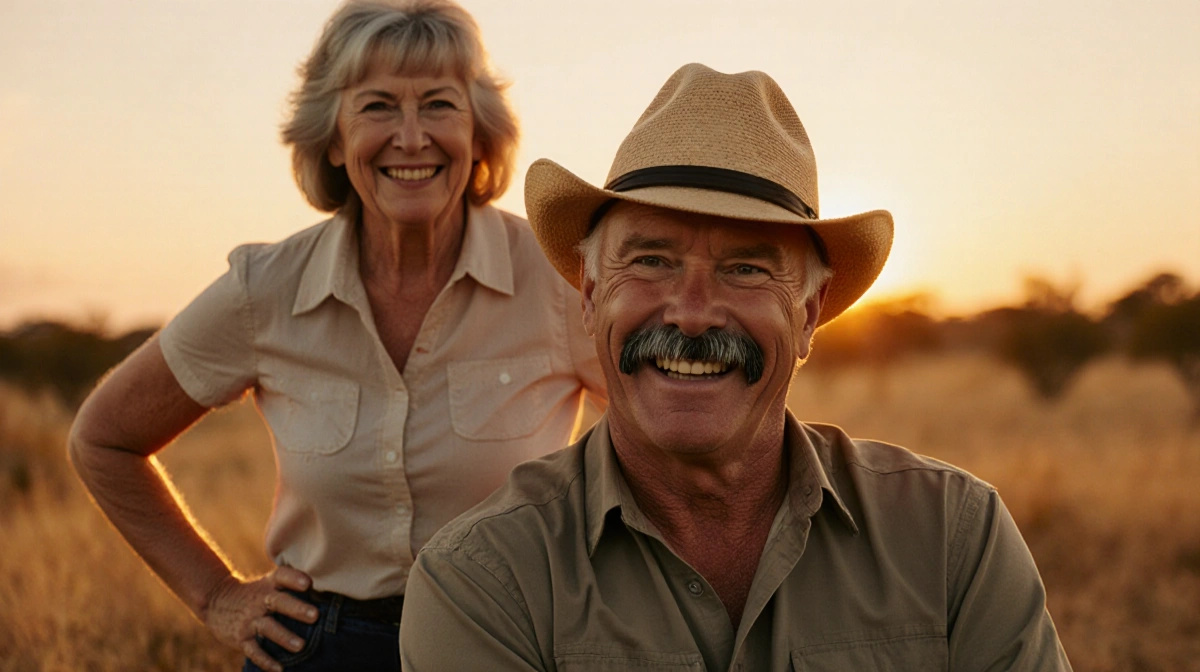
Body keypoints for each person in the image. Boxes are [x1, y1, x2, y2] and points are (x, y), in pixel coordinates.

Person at [400, 63, 1072, 670]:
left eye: (745, 268)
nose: (692, 314)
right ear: (592, 295)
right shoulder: (484, 580)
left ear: (808, 315)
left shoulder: (953, 538)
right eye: (652, 260)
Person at [67, 1, 605, 670]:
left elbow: (672, 439)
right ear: (332, 137)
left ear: (479, 134)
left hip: (509, 642)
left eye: (439, 105)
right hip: (316, 648)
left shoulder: (558, 277)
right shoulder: (265, 289)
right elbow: (103, 439)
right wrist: (215, 597)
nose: (411, 138)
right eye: (377, 107)